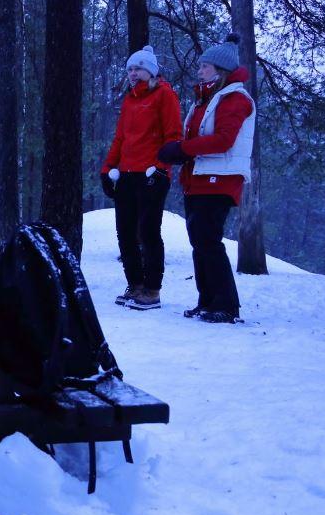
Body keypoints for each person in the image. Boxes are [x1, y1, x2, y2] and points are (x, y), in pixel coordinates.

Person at [158, 34, 255, 324]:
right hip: (198, 178)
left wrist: (182, 149)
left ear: (220, 70)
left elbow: (224, 140)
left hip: (220, 178)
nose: (199, 70)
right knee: (200, 241)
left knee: (208, 241)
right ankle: (208, 300)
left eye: (205, 66)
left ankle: (225, 305)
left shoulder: (235, 98)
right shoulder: (208, 98)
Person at [99, 46, 182, 311]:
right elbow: (120, 138)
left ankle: (152, 289)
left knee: (147, 231)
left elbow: (173, 136)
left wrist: (160, 169)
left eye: (138, 69)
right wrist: (107, 168)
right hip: (126, 175)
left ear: (151, 70)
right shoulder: (130, 99)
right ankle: (134, 285)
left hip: (152, 175)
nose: (133, 73)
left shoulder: (164, 95)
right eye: (130, 69)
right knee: (125, 233)